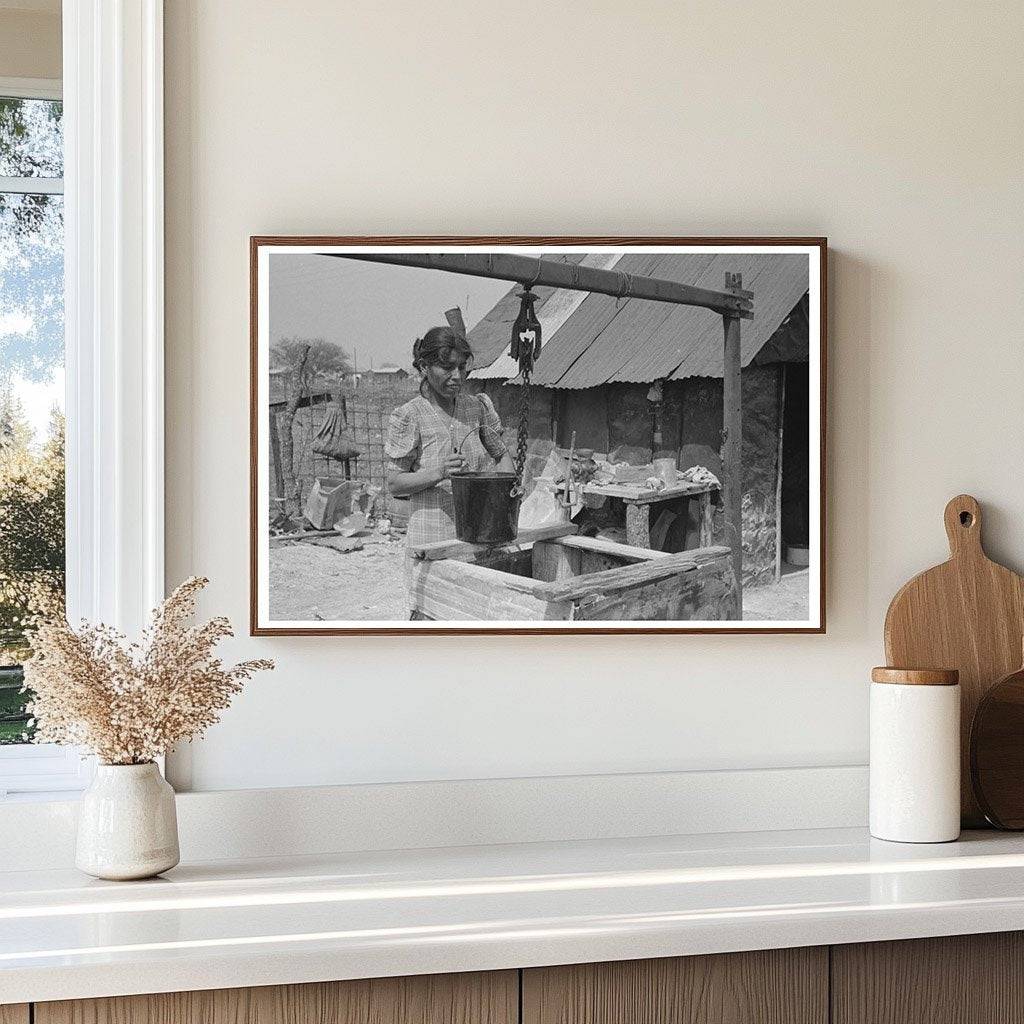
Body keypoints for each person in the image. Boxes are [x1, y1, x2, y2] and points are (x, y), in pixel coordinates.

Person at [385, 326, 515, 615]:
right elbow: (395, 483)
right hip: (431, 540)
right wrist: (439, 472)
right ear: (423, 367)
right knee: (432, 619)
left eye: (461, 367)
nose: (457, 376)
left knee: (474, 617)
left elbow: (501, 455)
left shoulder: (477, 408)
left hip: (478, 537)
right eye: (446, 367)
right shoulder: (409, 415)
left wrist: (506, 488)